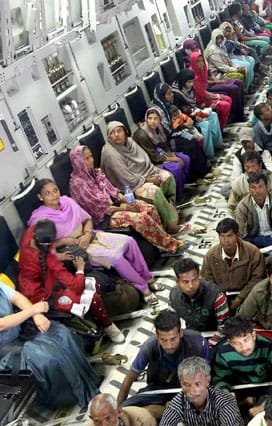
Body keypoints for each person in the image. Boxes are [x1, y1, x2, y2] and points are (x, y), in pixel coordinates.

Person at [28, 179, 160, 304]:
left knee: (129, 241)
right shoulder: (39, 218)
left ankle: (148, 277)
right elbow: (39, 247)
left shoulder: (68, 202)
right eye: (48, 193)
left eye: (55, 190)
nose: (54, 195)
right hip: (77, 249)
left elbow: (87, 220)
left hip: (89, 236)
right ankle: (144, 289)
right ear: (40, 197)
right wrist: (64, 241)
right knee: (116, 258)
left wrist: (87, 234)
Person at [18, 219, 124, 342]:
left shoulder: (31, 235)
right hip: (44, 299)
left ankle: (99, 319)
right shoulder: (46, 263)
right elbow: (77, 286)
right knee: (91, 296)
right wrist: (80, 269)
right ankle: (108, 326)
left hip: (48, 285)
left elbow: (46, 254)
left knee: (92, 285)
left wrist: (59, 256)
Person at [0, 281, 100, 408]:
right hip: (5, 350)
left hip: (20, 332)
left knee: (62, 334)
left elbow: (17, 298)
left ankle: (85, 381)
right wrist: (34, 310)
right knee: (47, 356)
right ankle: (68, 396)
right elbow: (2, 324)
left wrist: (37, 315)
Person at [69, 145, 184, 252]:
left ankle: (161, 241)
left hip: (115, 205)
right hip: (104, 218)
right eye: (86, 159)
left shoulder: (96, 173)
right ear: (78, 162)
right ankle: (169, 245)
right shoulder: (78, 184)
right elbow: (102, 210)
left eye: (91, 156)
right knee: (141, 218)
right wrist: (125, 208)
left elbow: (114, 192)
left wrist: (128, 201)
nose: (91, 160)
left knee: (149, 208)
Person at [149, 357, 241, 426]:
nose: (192, 391)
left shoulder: (225, 402)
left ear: (208, 381)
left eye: (197, 384)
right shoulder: (176, 404)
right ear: (180, 383)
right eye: (186, 385)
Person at [117, 310, 210, 416]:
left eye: (173, 339)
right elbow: (129, 378)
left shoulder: (198, 342)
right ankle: (168, 410)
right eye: (163, 340)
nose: (169, 345)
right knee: (126, 408)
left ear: (180, 333)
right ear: (157, 336)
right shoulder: (149, 347)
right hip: (158, 388)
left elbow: (205, 375)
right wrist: (118, 408)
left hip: (188, 387)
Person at [213, 315, 272, 414]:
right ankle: (249, 400)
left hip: (267, 389)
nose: (244, 347)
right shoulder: (223, 352)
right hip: (241, 389)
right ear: (230, 343)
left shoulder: (269, 346)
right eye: (237, 343)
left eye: (246, 340)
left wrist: (266, 406)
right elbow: (218, 379)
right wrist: (226, 394)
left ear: (253, 335)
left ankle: (255, 401)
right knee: (217, 403)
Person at [100, 121, 179, 231]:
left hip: (144, 175)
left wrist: (152, 174)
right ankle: (170, 225)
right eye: (112, 133)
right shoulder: (110, 153)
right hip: (129, 187)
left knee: (167, 177)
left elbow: (144, 159)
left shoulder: (130, 142)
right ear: (108, 137)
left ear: (125, 132)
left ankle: (171, 211)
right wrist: (148, 180)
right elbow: (125, 178)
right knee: (154, 192)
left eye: (119, 131)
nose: (116, 135)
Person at [201, 218, 265, 311]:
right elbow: (207, 281)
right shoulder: (211, 255)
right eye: (222, 236)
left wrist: (240, 298)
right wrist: (220, 299)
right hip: (219, 297)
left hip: (248, 296)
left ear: (237, 235)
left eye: (229, 236)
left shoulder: (253, 252)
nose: (225, 240)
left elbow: (258, 278)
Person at [169, 258, 230, 332]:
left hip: (214, 333)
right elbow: (171, 324)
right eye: (185, 282)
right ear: (177, 282)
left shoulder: (216, 296)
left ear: (199, 277)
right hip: (191, 332)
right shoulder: (174, 296)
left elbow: (224, 327)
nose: (191, 286)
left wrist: (213, 339)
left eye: (194, 280)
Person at [235, 172, 272, 249]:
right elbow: (239, 232)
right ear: (249, 189)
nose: (257, 191)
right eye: (253, 187)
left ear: (267, 187)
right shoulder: (243, 206)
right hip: (253, 239)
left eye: (260, 186)